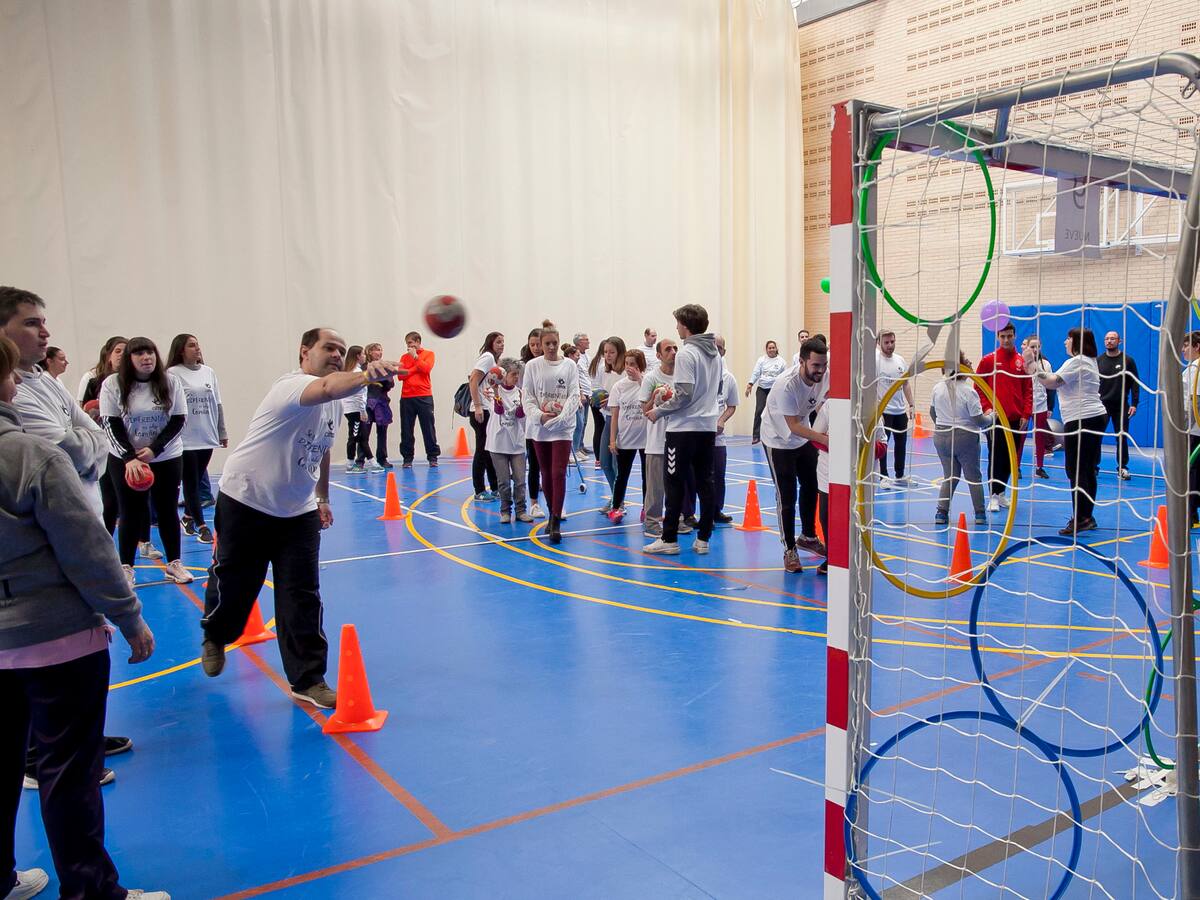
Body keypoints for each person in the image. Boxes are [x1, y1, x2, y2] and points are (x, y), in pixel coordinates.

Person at [0, 335, 168, 900]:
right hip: (55, 638)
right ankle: (90, 891)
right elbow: (87, 549)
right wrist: (129, 616)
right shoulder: (32, 456)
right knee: (69, 771)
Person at [201, 328, 399, 708]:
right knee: (237, 583)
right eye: (329, 348)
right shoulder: (290, 387)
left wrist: (321, 496)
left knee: (302, 594)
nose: (337, 354)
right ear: (304, 352)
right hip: (247, 499)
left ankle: (308, 679)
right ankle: (215, 633)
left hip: (298, 511)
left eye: (342, 350)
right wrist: (365, 375)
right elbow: (325, 387)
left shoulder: (333, 404)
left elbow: (321, 449)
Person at [100, 337, 192, 586]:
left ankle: (174, 563)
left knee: (167, 509)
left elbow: (179, 419)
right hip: (125, 459)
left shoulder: (170, 382)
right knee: (130, 511)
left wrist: (154, 450)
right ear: (129, 359)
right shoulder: (113, 384)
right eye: (139, 353)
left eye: (150, 352)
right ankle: (126, 567)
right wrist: (129, 457)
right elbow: (110, 423)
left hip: (166, 457)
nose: (146, 357)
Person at [644, 305, 723, 556]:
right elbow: (715, 390)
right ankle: (703, 539)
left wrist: (659, 410)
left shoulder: (688, 353)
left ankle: (669, 539)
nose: (676, 327)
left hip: (683, 430)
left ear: (686, 326)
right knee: (705, 482)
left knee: (674, 483)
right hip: (706, 429)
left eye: (678, 323)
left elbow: (684, 395)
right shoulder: (715, 354)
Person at [758, 339, 830, 572]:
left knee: (812, 485)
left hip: (802, 436)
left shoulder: (824, 375)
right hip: (778, 439)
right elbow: (793, 426)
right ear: (801, 361)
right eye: (815, 365)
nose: (820, 370)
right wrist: (825, 439)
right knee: (787, 495)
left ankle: (808, 536)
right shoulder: (786, 385)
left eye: (824, 365)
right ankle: (789, 549)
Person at [1035, 327, 1108, 537]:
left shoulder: (1079, 361)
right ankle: (1086, 516)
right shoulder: (1089, 361)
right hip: (1091, 418)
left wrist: (1032, 366)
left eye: (1068, 339)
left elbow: (1051, 382)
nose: (1065, 342)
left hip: (1083, 419)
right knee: (1086, 469)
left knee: (1076, 470)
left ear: (1077, 341)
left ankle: (1082, 518)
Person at [166, 333, 227, 544]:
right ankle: (202, 526)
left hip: (206, 434)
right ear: (181, 350)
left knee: (198, 476)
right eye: (192, 345)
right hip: (185, 437)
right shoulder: (172, 374)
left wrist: (221, 431)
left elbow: (217, 404)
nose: (197, 348)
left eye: (197, 344)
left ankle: (187, 517)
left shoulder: (208, 372)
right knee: (191, 482)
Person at [521, 327, 580, 544]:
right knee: (545, 472)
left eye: (555, 342)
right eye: (547, 343)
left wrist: (561, 418)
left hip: (563, 427)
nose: (552, 347)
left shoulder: (569, 365)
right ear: (541, 344)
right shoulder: (532, 366)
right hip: (540, 427)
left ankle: (555, 520)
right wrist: (540, 416)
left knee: (558, 472)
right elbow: (527, 397)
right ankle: (550, 510)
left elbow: (574, 395)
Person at [930, 353, 991, 526]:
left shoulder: (938, 388)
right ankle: (980, 514)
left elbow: (933, 413)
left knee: (949, 476)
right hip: (965, 437)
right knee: (973, 477)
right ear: (961, 367)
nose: (970, 363)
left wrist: (944, 426)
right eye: (967, 361)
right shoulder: (968, 391)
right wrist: (992, 417)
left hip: (941, 436)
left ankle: (941, 513)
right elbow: (979, 421)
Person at [975, 322, 1031, 512]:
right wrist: (987, 408)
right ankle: (992, 495)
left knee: (1010, 458)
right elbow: (978, 387)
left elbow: (1028, 389)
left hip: (1016, 420)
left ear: (1015, 336)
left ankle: (1001, 493)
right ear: (998, 337)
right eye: (1002, 336)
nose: (1006, 340)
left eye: (1009, 336)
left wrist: (1026, 413)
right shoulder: (988, 360)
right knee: (996, 457)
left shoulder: (1021, 361)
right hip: (996, 420)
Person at [639, 339, 684, 538]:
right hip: (657, 441)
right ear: (658, 355)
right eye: (668, 349)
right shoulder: (651, 378)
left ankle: (676, 519)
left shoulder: (683, 375)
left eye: (675, 348)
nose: (673, 352)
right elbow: (644, 410)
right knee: (656, 487)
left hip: (678, 438)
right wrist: (655, 398)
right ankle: (651, 522)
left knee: (676, 484)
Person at [486, 358, 531, 525]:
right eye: (513, 374)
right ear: (504, 375)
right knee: (504, 481)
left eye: (517, 374)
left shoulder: (520, 393)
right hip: (498, 443)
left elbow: (520, 415)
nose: (516, 377)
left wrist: (523, 403)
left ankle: (521, 510)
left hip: (517, 443)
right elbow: (498, 410)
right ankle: (505, 511)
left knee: (520, 480)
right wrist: (496, 391)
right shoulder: (492, 392)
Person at [606, 349, 649, 523]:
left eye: (633, 364)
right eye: (627, 364)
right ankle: (616, 508)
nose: (629, 367)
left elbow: (652, 402)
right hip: (626, 438)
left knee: (647, 476)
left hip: (646, 439)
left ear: (640, 365)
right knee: (622, 475)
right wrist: (612, 440)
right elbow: (614, 416)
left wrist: (640, 379)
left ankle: (646, 508)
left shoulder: (648, 382)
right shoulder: (619, 386)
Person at [1098, 330, 1140, 481]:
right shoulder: (1098, 361)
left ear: (1119, 341)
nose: (1109, 341)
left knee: (1121, 437)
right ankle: (1093, 467)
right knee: (1096, 437)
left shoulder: (1128, 361)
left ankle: (1122, 467)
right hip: (1101, 406)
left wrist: (1134, 403)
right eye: (1107, 339)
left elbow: (1135, 383)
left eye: (1112, 338)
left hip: (1121, 406)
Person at [875, 330, 915, 487]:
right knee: (883, 444)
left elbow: (906, 384)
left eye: (892, 341)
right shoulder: (875, 361)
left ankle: (900, 474)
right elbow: (870, 387)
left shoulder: (900, 360)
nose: (890, 345)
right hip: (884, 412)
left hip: (900, 411)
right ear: (879, 343)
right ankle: (883, 476)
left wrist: (911, 404)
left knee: (901, 444)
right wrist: (877, 410)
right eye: (886, 342)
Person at [588, 337, 626, 501]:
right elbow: (603, 393)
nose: (608, 355)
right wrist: (599, 400)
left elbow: (631, 398)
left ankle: (618, 502)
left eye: (612, 352)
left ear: (620, 352)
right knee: (604, 462)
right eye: (605, 352)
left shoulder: (626, 373)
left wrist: (613, 401)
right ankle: (615, 499)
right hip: (608, 420)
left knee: (616, 465)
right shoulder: (605, 372)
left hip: (622, 422)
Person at [468, 332, 504, 500]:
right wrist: (478, 406)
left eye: (503, 342)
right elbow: (473, 379)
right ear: (490, 343)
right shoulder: (488, 357)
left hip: (488, 409)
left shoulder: (493, 361)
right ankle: (479, 490)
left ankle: (495, 487)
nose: (502, 345)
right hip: (481, 410)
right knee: (482, 450)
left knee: (489, 450)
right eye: (498, 342)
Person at [397, 331, 440, 468]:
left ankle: (432, 456)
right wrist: (415, 369)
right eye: (407, 343)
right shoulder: (404, 357)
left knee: (428, 428)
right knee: (406, 429)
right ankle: (407, 458)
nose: (408, 346)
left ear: (417, 342)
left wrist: (415, 357)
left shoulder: (429, 354)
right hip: (407, 397)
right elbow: (400, 376)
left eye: (410, 343)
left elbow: (426, 369)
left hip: (424, 396)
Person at [520, 327, 546, 518]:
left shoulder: (556, 365)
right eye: (532, 345)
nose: (536, 348)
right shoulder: (525, 367)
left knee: (552, 468)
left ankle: (556, 504)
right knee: (534, 465)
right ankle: (534, 504)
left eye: (539, 344)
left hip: (553, 425)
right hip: (532, 424)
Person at [713, 335, 738, 524]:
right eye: (712, 346)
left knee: (718, 476)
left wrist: (721, 420)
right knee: (693, 478)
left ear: (724, 352)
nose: (715, 350)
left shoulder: (729, 379)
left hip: (717, 439)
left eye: (719, 348)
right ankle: (688, 514)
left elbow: (732, 405)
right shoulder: (696, 373)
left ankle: (716, 511)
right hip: (696, 436)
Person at [1023, 337, 1054, 480]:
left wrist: (1050, 407)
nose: (1035, 349)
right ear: (1027, 347)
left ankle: (1040, 467)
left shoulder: (1046, 364)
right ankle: (1016, 467)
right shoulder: (1020, 363)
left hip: (1041, 404)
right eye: (1032, 346)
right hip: (1024, 405)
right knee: (1021, 436)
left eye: (1038, 346)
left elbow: (1050, 386)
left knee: (1040, 437)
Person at [745, 340, 786, 444]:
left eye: (773, 348)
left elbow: (784, 377)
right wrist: (750, 384)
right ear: (766, 350)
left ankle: (778, 434)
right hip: (762, 388)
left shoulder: (781, 361)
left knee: (776, 412)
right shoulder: (761, 360)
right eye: (769, 348)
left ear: (776, 349)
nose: (771, 349)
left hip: (775, 390)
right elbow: (756, 373)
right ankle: (756, 436)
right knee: (759, 410)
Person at [340, 346, 372, 474]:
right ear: (358, 356)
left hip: (350, 408)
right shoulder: (357, 372)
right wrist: (362, 411)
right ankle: (350, 464)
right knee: (354, 436)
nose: (365, 356)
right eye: (363, 354)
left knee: (361, 436)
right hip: (355, 409)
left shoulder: (349, 371)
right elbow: (360, 394)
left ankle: (372, 461)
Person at [363, 342, 394, 471]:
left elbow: (390, 384)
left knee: (382, 432)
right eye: (377, 350)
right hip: (368, 401)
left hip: (382, 401)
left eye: (381, 350)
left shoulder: (384, 366)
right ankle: (360, 459)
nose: (380, 352)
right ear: (370, 352)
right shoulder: (364, 366)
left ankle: (382, 458)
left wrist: (386, 377)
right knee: (364, 432)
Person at [563, 343, 592, 456]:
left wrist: (581, 395)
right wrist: (578, 398)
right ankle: (573, 451)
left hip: (577, 398)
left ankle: (576, 449)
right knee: (577, 425)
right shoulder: (566, 367)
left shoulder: (574, 367)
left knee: (581, 424)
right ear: (570, 355)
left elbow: (577, 384)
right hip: (570, 401)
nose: (579, 357)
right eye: (577, 355)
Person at [1184, 333, 1200, 527]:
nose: (1183, 349)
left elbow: (1196, 401)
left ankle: (1190, 513)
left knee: (1192, 471)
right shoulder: (1192, 367)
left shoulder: (1196, 368)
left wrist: (1184, 426)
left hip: (1195, 430)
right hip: (1194, 429)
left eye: (1186, 345)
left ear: (1197, 346)